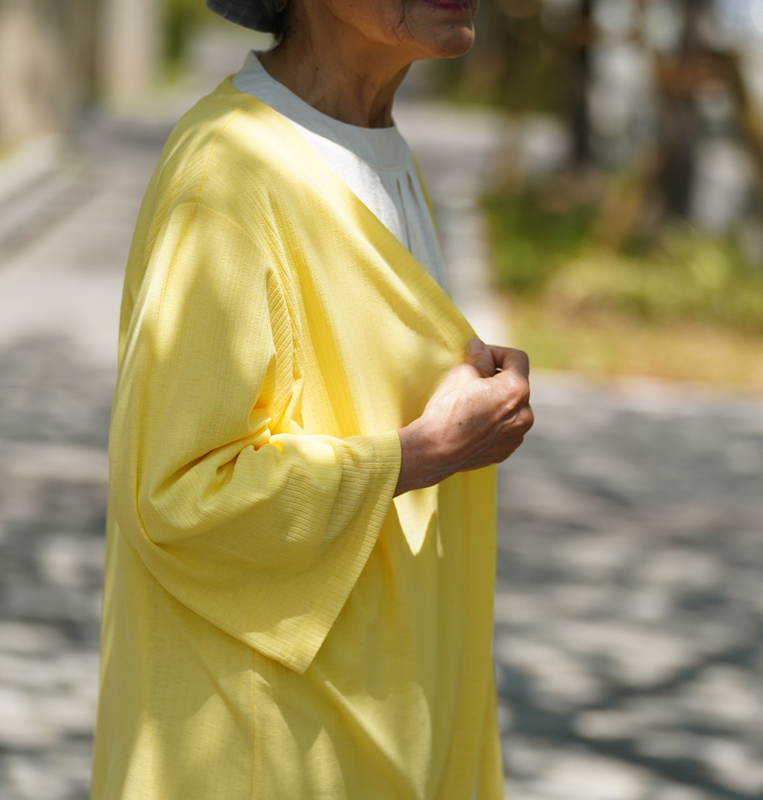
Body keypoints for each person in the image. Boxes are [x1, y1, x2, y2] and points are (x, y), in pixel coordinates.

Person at [90, 0, 534, 797]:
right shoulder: (229, 177)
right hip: (266, 750)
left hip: (376, 724)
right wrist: (424, 451)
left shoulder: (375, 153)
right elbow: (177, 493)